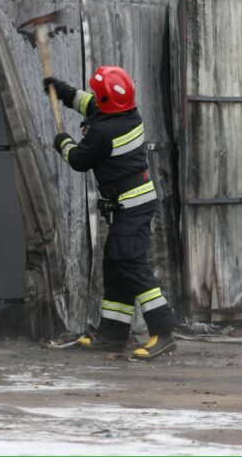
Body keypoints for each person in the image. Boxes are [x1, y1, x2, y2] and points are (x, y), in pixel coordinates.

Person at [44, 66, 177, 360]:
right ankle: (112, 336)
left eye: (97, 93)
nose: (93, 97)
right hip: (130, 203)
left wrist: (61, 141)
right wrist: (62, 90)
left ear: (106, 101)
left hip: (132, 204)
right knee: (115, 265)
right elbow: (88, 103)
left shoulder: (104, 131)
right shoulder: (126, 113)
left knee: (129, 262)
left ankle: (163, 332)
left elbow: (78, 160)